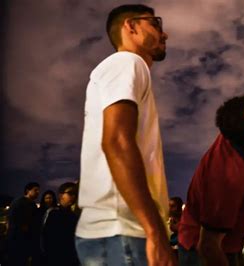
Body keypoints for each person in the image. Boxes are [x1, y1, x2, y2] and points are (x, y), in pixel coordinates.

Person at [75, 4, 176, 266]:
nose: (164, 34)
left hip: (117, 231)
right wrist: (154, 231)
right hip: (125, 231)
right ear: (131, 26)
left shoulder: (123, 68)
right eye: (155, 24)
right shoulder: (127, 62)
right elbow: (117, 142)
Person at [178, 95, 244, 266]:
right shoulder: (227, 180)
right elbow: (208, 246)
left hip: (229, 243)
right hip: (202, 253)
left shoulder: (238, 134)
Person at [42, 182, 80, 266]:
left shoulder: (74, 216)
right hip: (54, 259)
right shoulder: (52, 213)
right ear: (60, 195)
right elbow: (44, 238)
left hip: (71, 259)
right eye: (70, 193)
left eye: (75, 194)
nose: (73, 196)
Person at [6, 182, 41, 266]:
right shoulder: (18, 202)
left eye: (38, 190)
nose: (38, 192)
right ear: (28, 190)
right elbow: (11, 219)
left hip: (26, 240)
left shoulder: (33, 205)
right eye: (35, 190)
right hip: (17, 240)